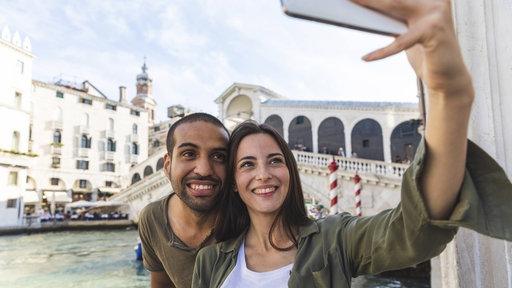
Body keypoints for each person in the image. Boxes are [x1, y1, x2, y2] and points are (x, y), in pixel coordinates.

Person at [193, 1, 512, 287]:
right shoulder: (211, 262)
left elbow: (415, 228)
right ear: (233, 182)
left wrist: (448, 93)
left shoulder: (334, 241)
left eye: (275, 160)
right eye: (247, 164)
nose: (263, 173)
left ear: (291, 170)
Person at [138, 112, 229, 288]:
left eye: (218, 156)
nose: (204, 170)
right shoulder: (152, 218)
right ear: (167, 166)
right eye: (189, 153)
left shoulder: (247, 217)